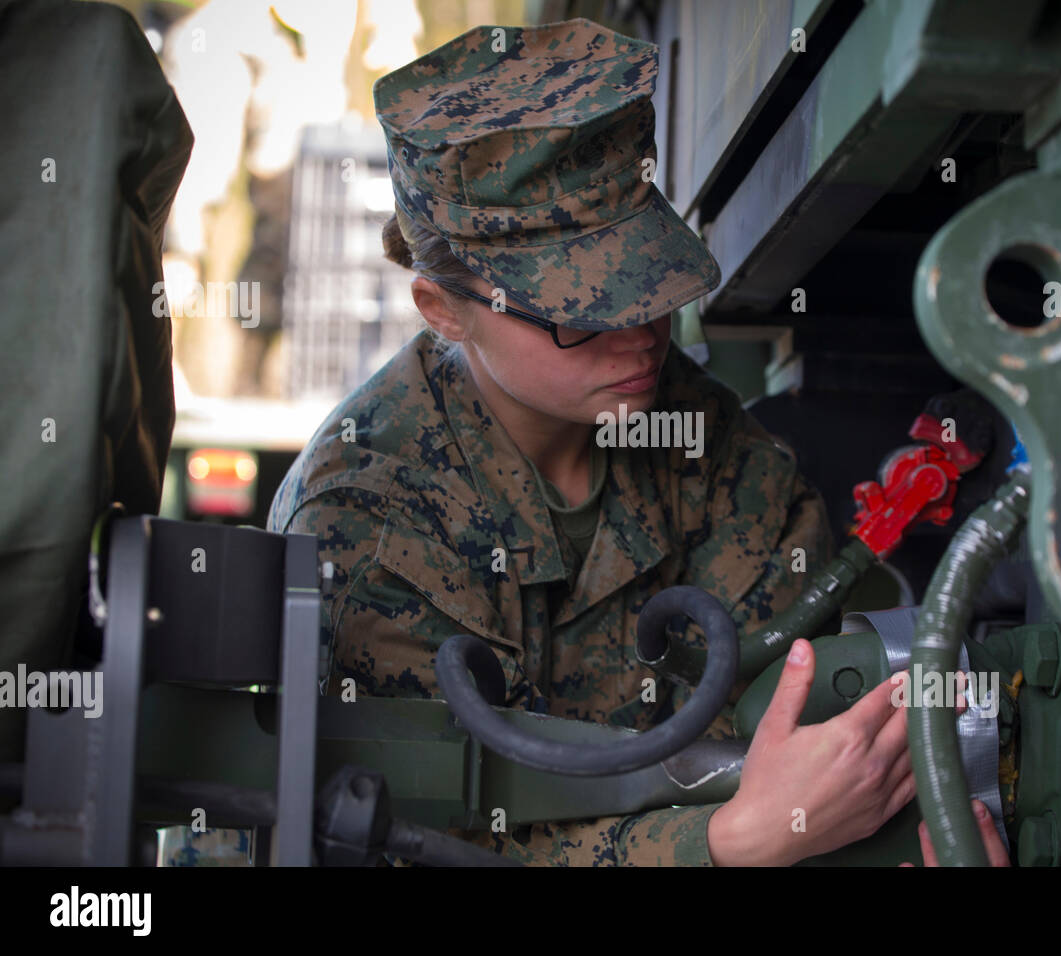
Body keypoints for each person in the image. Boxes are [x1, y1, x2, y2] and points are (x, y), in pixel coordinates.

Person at [269, 17, 920, 866]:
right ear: (445, 311)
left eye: (646, 284)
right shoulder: (366, 525)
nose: (638, 334)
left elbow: (815, 725)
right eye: (582, 312)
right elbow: (423, 846)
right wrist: (728, 842)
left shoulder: (706, 445)